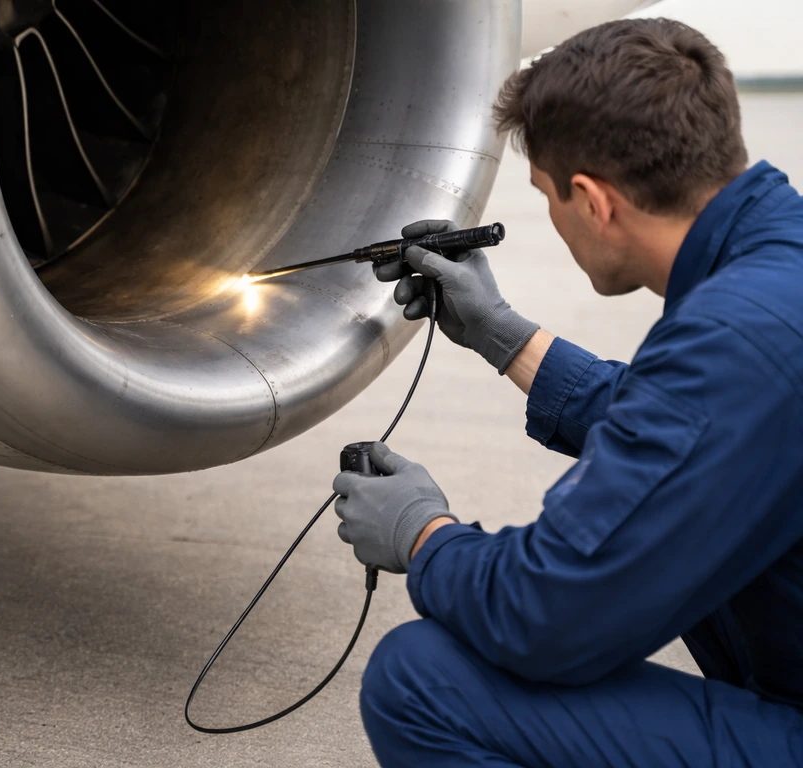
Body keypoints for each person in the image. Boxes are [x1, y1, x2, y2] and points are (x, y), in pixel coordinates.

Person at [331, 17, 803, 767]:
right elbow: (701, 431)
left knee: (421, 680)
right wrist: (505, 337)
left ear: (592, 200)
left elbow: (548, 615)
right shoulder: (778, 267)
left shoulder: (736, 336)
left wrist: (425, 536)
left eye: (547, 196)